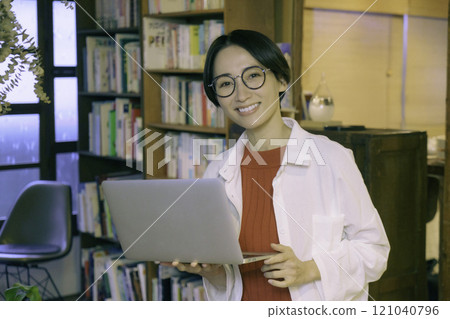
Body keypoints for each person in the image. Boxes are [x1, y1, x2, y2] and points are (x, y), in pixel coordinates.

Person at [170, 29, 390, 301]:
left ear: (282, 80)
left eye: (253, 76)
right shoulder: (217, 170)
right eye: (226, 84)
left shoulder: (332, 158)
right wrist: (212, 272)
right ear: (217, 97)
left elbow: (374, 251)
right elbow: (232, 285)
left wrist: (311, 269)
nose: (241, 95)